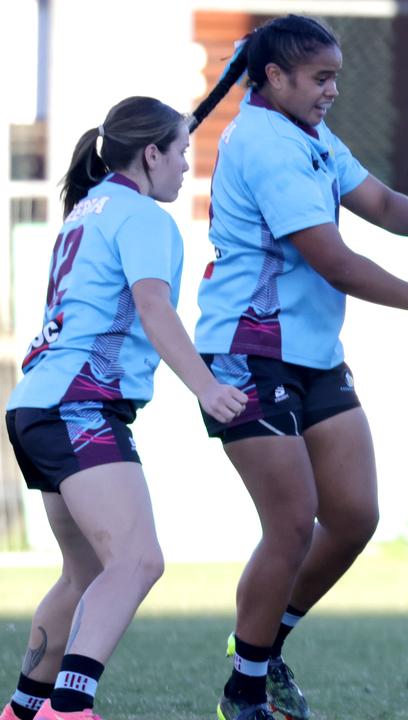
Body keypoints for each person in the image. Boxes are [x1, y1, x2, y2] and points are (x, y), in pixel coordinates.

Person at [187, 15, 408, 720]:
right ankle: (244, 691)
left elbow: (375, 201)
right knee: (291, 523)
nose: (333, 90)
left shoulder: (309, 135)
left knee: (352, 517)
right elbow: (333, 258)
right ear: (276, 78)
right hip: (247, 353)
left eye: (337, 76)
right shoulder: (261, 141)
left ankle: (263, 645)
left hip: (312, 357)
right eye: (320, 78)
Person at [2, 97, 247, 720]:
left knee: (85, 572)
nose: (188, 167)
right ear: (151, 153)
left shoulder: (90, 207)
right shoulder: (142, 217)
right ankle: (69, 706)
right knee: (137, 560)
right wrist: (207, 388)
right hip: (77, 405)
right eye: (182, 153)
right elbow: (154, 309)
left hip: (36, 405)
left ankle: (25, 710)